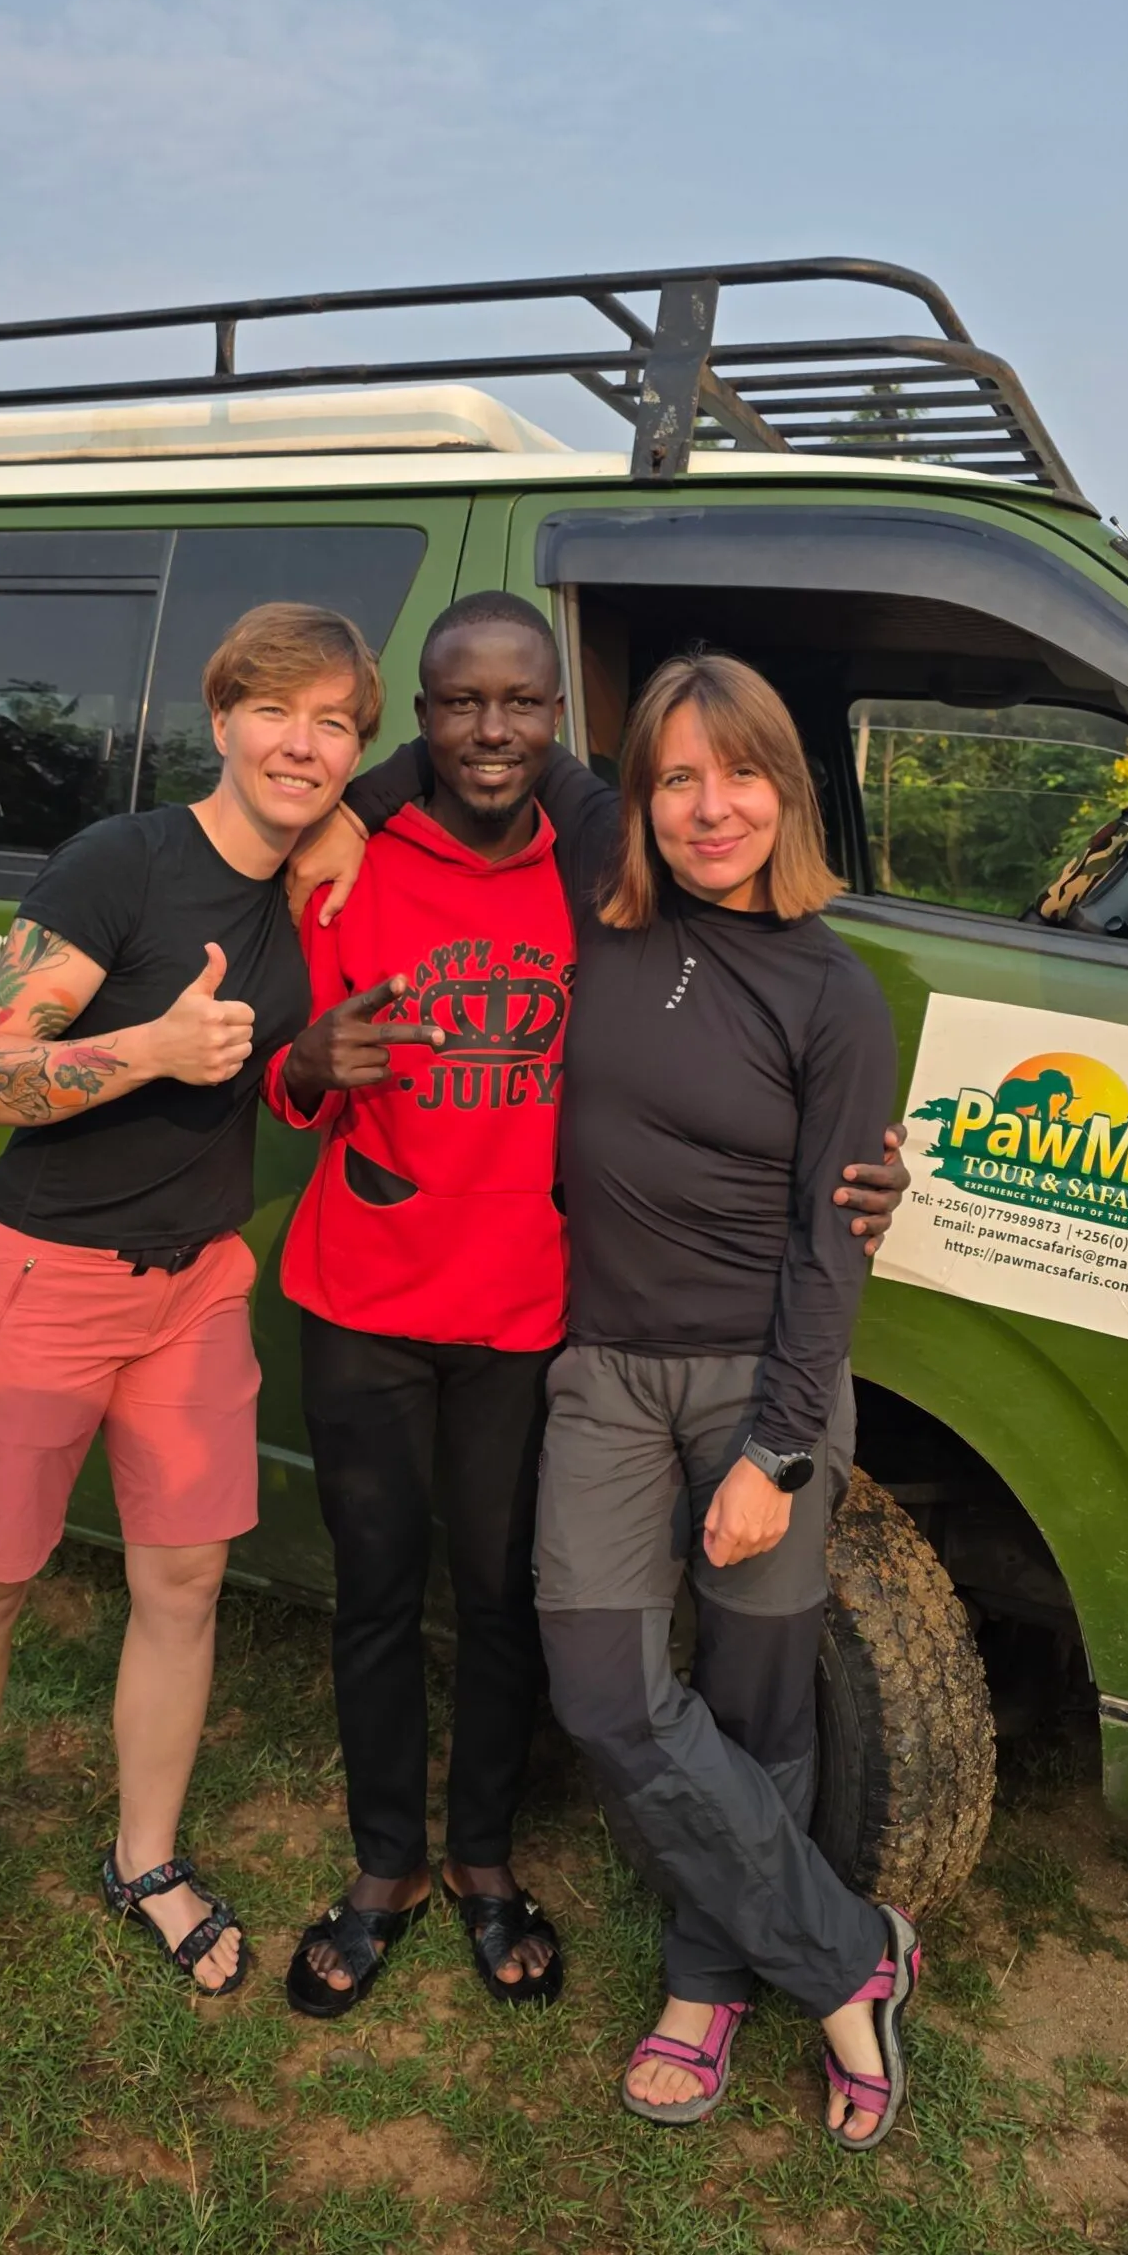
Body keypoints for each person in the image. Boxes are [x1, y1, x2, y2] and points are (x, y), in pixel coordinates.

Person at [269, 597, 908, 2023]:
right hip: (396, 1303)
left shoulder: (601, 867)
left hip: (531, 1315)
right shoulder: (389, 860)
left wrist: (859, 1178)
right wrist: (313, 1022)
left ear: (560, 717)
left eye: (523, 703)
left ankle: (491, 1860)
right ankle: (388, 1870)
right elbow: (284, 1035)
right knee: (381, 1591)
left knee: (508, 1606)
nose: (488, 731)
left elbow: (592, 791)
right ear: (418, 717)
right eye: (455, 704)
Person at [0, 602, 430, 1995]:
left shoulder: (310, 875)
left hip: (195, 1287)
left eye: (333, 724)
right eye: (276, 712)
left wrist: (345, 823)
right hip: (43, 1278)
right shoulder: (118, 862)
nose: (302, 746)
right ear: (223, 717)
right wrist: (155, 1048)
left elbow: (436, 777)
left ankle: (147, 1851)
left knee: (182, 1581)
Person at [528, 651, 920, 2144]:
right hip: (607, 1376)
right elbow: (459, 751)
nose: (710, 808)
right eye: (676, 777)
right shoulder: (600, 913)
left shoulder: (835, 991)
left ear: (788, 790)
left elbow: (836, 1249)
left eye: (740, 774)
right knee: (609, 1695)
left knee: (758, 1704)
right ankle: (847, 1958)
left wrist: (774, 1451)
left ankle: (705, 1988)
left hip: (768, 1386)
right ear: (637, 796)